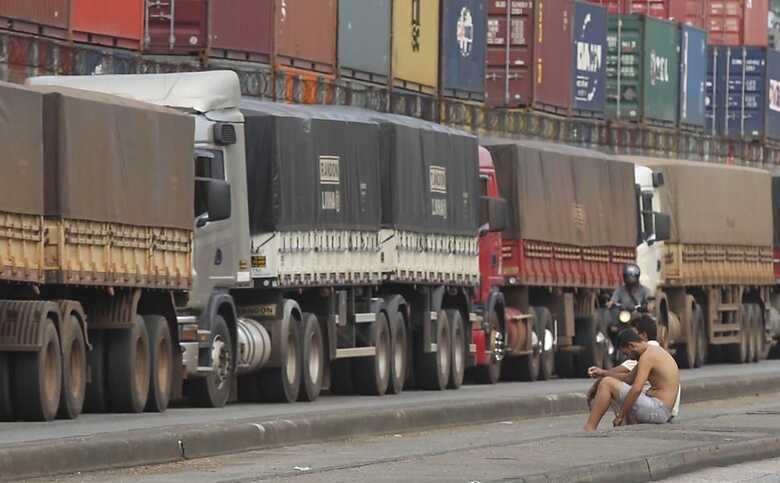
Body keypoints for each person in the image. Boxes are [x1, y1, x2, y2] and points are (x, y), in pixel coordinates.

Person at [583, 329, 680, 432]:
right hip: (661, 409)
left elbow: (637, 389)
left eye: (626, 354)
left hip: (659, 410)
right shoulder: (651, 351)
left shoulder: (648, 357)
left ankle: (589, 427)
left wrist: (620, 415)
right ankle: (626, 425)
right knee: (611, 385)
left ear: (631, 346)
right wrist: (603, 373)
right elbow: (629, 378)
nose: (628, 357)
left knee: (607, 383)